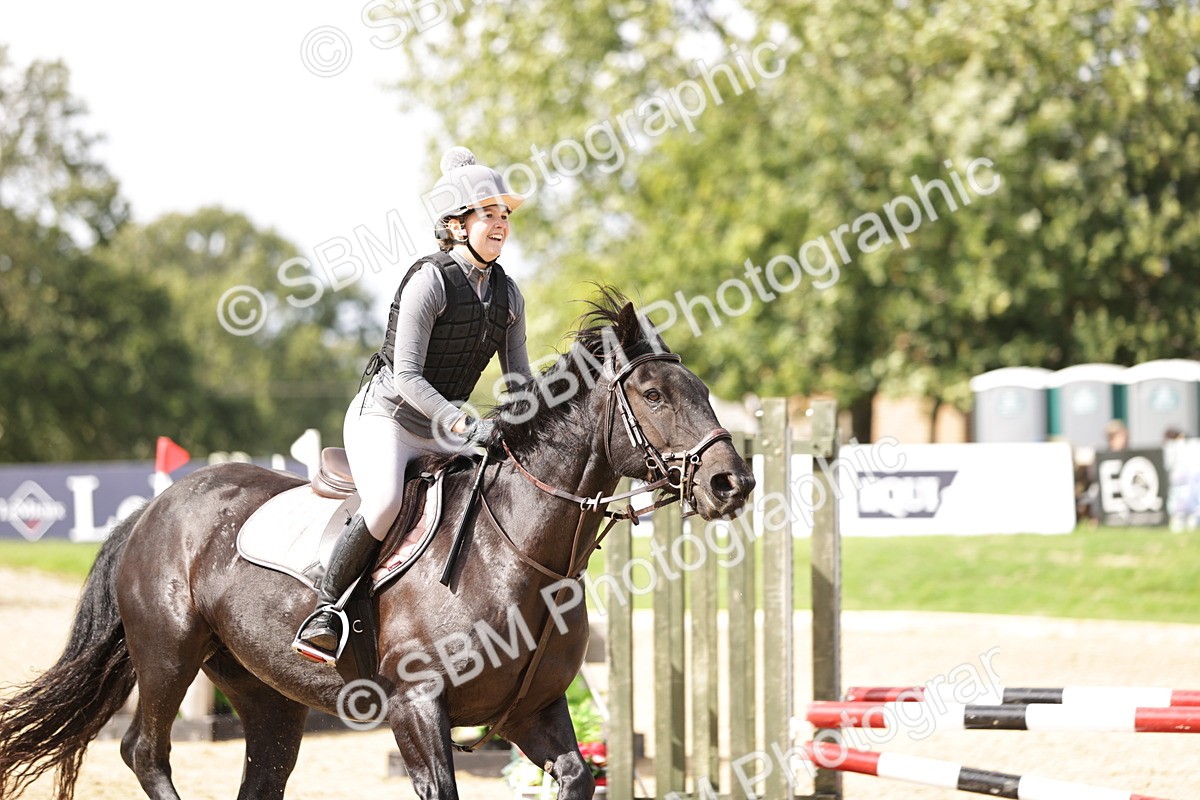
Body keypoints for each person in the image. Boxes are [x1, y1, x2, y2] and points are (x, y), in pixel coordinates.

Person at [293, 147, 533, 662]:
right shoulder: (430, 279)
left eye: (505, 215)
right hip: (388, 418)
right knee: (384, 503)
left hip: (446, 427)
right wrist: (457, 418)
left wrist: (537, 422)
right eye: (488, 214)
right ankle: (326, 610)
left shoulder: (509, 295)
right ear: (457, 223)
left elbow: (519, 383)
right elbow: (405, 377)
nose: (500, 224)